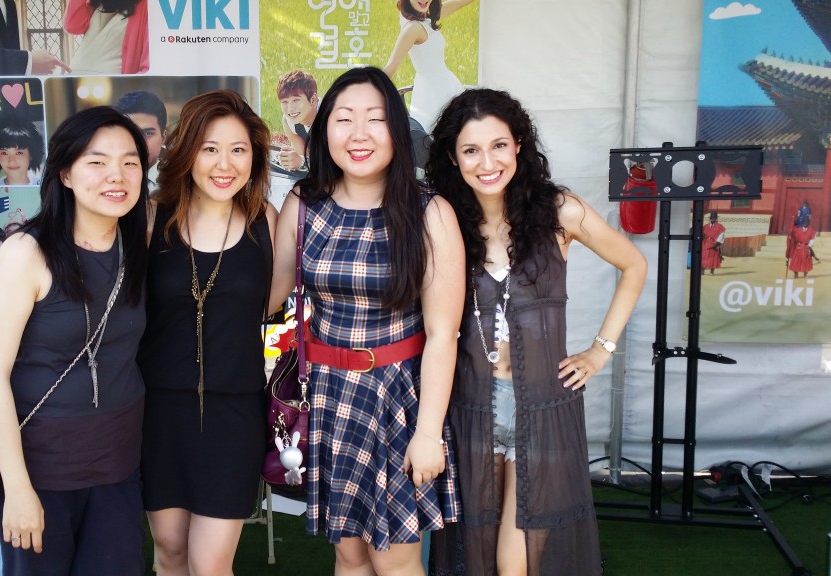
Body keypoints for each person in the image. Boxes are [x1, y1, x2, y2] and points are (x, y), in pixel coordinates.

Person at [425, 88, 647, 576]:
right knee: (478, 538)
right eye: (471, 149)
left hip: (544, 404)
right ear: (452, 156)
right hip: (471, 407)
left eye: (499, 145)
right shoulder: (442, 222)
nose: (488, 161)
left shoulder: (559, 211)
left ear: (519, 144)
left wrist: (600, 350)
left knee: (522, 538)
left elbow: (633, 264)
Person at [269, 66, 465, 574]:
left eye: (375, 120)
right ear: (324, 128)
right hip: (330, 399)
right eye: (344, 119)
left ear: (397, 131)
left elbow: (444, 335)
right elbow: (268, 298)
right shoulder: (303, 204)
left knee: (395, 563)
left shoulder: (430, 213)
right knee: (350, 556)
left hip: (398, 402)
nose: (359, 134)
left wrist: (428, 434)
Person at [0, 106, 150, 574]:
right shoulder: (25, 253)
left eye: (130, 162)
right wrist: (17, 489)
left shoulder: (138, 249)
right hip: (40, 468)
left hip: (117, 465)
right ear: (66, 174)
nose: (117, 174)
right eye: (97, 161)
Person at [136, 89, 277, 575]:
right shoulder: (152, 217)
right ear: (187, 150)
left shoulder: (265, 221)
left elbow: (273, 302)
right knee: (170, 554)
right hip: (159, 411)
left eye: (238, 149)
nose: (225, 163)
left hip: (234, 414)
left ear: (254, 156)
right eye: (210, 147)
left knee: (211, 564)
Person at [384, 0, 475, 133]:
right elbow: (391, 67)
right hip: (431, 95)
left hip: (446, 85)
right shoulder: (413, 28)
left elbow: (460, 3)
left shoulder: (427, 16)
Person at [64, 0, 149, 75]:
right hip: (76, 80)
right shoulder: (97, 3)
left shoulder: (149, 6)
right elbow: (73, 26)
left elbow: (149, 68)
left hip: (112, 86)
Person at [116, 90, 167, 192]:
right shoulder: (103, 178)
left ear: (163, 137)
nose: (139, 142)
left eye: (148, 133)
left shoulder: (179, 183)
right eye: (130, 132)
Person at [275, 69, 320, 174]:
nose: (290, 109)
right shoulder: (288, 121)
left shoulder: (331, 118)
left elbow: (335, 165)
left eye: (296, 100)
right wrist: (291, 160)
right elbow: (305, 158)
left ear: (313, 100)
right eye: (285, 102)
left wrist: (301, 162)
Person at [702, 211, 725, 275]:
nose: (712, 219)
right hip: (705, 243)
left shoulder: (720, 227)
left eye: (714, 218)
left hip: (714, 243)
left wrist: (717, 243)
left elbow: (721, 234)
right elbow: (702, 234)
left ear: (716, 219)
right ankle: (702, 271)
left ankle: (712, 271)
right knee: (704, 257)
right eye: (711, 218)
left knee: (713, 258)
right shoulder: (706, 226)